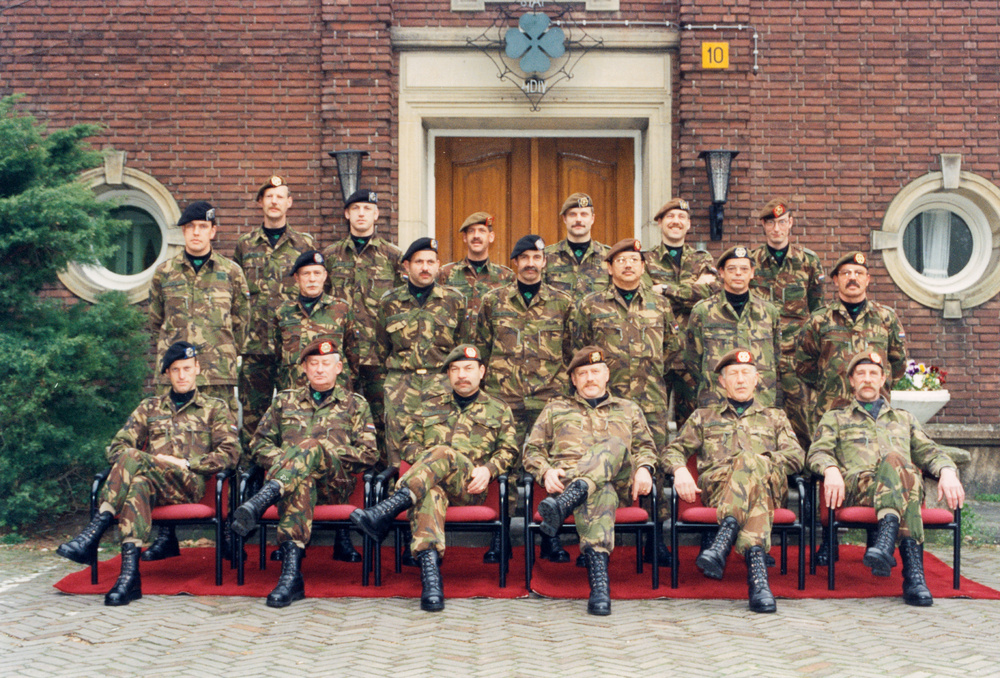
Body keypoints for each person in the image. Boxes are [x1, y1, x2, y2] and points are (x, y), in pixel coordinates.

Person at [57, 342, 239, 605]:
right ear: (167, 373)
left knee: (134, 458)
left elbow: (230, 453)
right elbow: (117, 447)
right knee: (139, 482)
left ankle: (96, 529)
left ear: (197, 368)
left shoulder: (215, 408)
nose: (182, 375)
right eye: (175, 370)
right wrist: (152, 462)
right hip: (154, 486)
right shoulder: (149, 408)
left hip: (189, 484)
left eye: (187, 368)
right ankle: (129, 578)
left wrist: (186, 463)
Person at [349, 344, 517, 612]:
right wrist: (431, 462)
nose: (462, 375)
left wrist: (488, 469)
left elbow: (509, 450)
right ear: (448, 375)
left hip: (470, 487)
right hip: (427, 486)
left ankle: (388, 508)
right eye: (455, 369)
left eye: (468, 368)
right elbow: (408, 445)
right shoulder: (429, 407)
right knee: (430, 492)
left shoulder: (498, 409)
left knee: (444, 453)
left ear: (482, 372)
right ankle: (431, 580)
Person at [807, 349, 964, 606]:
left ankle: (888, 542)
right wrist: (830, 469)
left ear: (882, 380)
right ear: (852, 381)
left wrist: (947, 471)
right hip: (860, 487)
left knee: (900, 471)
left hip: (903, 487)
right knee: (900, 468)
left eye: (873, 373)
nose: (867, 379)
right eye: (861, 374)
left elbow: (930, 452)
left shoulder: (904, 418)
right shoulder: (836, 418)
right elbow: (817, 452)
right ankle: (913, 575)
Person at [230, 339, 378, 607]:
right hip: (294, 488)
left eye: (325, 364)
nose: (319, 369)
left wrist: (320, 452)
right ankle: (291, 576)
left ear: (338, 368)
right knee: (301, 480)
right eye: (313, 364)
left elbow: (369, 454)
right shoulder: (284, 401)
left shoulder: (355, 405)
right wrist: (291, 462)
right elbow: (258, 444)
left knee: (310, 448)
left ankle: (263, 498)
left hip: (334, 486)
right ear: (304, 369)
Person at [663, 349, 804, 613]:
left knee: (749, 462)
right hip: (720, 489)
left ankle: (725, 537)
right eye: (733, 374)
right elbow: (673, 450)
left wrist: (759, 462)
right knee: (754, 489)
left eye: (746, 373)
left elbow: (796, 457)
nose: (740, 379)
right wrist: (679, 469)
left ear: (756, 379)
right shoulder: (703, 417)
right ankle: (759, 581)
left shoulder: (775, 417)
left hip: (770, 486)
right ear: (721, 381)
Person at [147, 200, 249, 560]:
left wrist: (221, 354)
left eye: (202, 227)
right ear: (183, 232)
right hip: (174, 377)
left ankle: (228, 532)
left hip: (216, 376)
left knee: (224, 450)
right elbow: (156, 321)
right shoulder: (164, 273)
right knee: (168, 449)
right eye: (189, 227)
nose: (196, 233)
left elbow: (242, 321)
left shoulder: (231, 272)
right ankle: (167, 535)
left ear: (213, 231)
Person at [571, 237, 681, 566]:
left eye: (634, 260)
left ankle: (654, 540)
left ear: (643, 266)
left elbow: (673, 349)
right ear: (609, 267)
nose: (628, 265)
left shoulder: (660, 305)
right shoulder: (591, 305)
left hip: (650, 401)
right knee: (599, 463)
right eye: (621, 260)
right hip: (606, 401)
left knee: (652, 466)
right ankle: (592, 537)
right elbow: (577, 351)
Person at [523, 346, 656, 616]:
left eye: (595, 371)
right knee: (600, 491)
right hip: (573, 485)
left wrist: (644, 468)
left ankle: (566, 502)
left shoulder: (628, 409)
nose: (590, 378)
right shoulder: (555, 409)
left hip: (619, 482)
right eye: (582, 373)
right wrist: (546, 471)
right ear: (573, 380)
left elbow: (646, 447)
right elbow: (531, 451)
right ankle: (599, 586)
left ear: (607, 375)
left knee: (615, 445)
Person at [475, 234, 575, 563]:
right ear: (515, 263)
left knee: (552, 466)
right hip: (504, 400)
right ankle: (501, 535)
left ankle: (550, 536)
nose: (531, 264)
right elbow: (481, 347)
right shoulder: (493, 301)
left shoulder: (563, 303)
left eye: (536, 257)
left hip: (550, 400)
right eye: (525, 258)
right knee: (504, 467)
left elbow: (572, 351)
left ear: (544, 262)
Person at [234, 176, 316, 445]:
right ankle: (252, 467)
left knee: (294, 412)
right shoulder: (245, 245)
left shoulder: (304, 244)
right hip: (255, 345)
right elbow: (236, 294)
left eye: (280, 196)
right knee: (252, 416)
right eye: (269, 196)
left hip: (292, 345)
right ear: (260, 202)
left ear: (289, 202)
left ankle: (290, 463)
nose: (274, 201)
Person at [322, 189, 403, 461]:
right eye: (355, 208)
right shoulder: (331, 256)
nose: (361, 214)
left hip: (378, 355)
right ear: (347, 214)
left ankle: (381, 477)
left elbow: (401, 304)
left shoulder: (393, 257)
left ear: (376, 214)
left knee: (382, 419)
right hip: (341, 355)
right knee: (341, 418)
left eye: (367, 209)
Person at [376, 237, 468, 468]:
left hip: (441, 385)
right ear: (407, 266)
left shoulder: (454, 301)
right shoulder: (389, 302)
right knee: (397, 455)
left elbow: (463, 346)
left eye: (430, 262)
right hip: (401, 387)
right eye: (419, 262)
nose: (425, 267)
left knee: (441, 450)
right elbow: (381, 348)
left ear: (438, 266)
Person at [796, 251, 908, 429]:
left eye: (858, 273)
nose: (852, 278)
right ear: (836, 280)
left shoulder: (886, 318)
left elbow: (898, 363)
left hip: (875, 412)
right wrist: (831, 385)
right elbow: (804, 366)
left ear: (867, 279)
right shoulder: (819, 320)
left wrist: (876, 385)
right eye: (846, 273)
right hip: (832, 413)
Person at [749, 198, 825, 447]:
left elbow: (817, 309)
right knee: (758, 412)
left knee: (803, 415)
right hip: (760, 351)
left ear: (791, 223)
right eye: (771, 223)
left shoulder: (808, 261)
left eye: (782, 222)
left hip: (796, 354)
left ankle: (806, 463)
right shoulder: (751, 262)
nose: (777, 229)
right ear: (763, 225)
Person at [643, 198, 720, 425]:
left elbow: (710, 296)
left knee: (693, 425)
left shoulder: (702, 259)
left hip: (692, 355)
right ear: (659, 223)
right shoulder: (646, 260)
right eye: (670, 217)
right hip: (658, 353)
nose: (676, 221)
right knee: (653, 424)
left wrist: (665, 289)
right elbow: (648, 299)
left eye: (681, 217)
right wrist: (692, 291)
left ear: (688, 224)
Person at [684, 245, 782, 408]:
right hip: (716, 402)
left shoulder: (768, 312)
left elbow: (776, 355)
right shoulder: (703, 311)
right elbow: (692, 360)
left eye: (744, 269)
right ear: (721, 272)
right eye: (731, 269)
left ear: (752, 273)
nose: (738, 273)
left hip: (760, 402)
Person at [271, 250, 354, 392]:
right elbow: (278, 355)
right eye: (306, 274)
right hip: (294, 392)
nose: (312, 279)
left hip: (334, 393)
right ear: (297, 277)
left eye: (317, 273)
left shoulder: (341, 309)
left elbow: (352, 352)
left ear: (325, 276)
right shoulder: (283, 312)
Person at [438, 211, 513, 333]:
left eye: (482, 231)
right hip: (455, 344)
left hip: (491, 345)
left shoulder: (506, 277)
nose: (476, 236)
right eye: (471, 231)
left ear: (491, 237)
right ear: (464, 237)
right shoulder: (445, 274)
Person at [543, 192, 611, 298]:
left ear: (592, 218)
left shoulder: (609, 256)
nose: (578, 219)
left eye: (584, 214)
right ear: (564, 219)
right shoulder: (547, 256)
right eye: (572, 214)